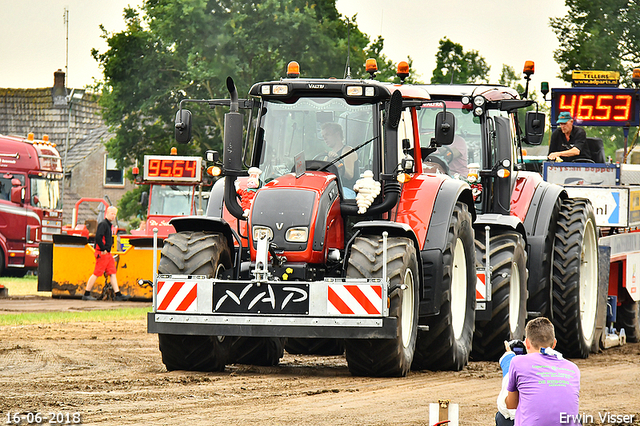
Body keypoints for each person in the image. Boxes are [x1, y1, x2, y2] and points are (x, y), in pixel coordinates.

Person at [500, 317, 580, 426]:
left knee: (502, 417)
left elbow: (511, 405)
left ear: (527, 343)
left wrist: (508, 360)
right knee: (575, 417)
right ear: (554, 343)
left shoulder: (517, 362)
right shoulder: (573, 368)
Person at [82, 206, 129, 301]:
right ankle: (86, 293)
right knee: (96, 273)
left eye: (115, 214)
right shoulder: (103, 224)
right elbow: (98, 237)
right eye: (112, 213)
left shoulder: (108, 225)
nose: (113, 216)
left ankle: (118, 294)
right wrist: (103, 249)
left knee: (112, 273)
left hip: (107, 253)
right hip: (102, 253)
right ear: (107, 213)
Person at [320, 122, 359, 197]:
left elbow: (349, 175)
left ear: (337, 134)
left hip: (347, 191)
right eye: (323, 136)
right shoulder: (327, 157)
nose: (324, 138)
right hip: (332, 190)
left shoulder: (348, 151)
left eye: (327, 134)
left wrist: (337, 163)